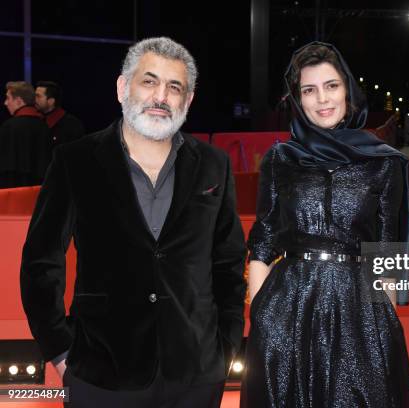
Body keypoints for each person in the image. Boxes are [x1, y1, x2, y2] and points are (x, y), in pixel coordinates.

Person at [20, 37, 246, 408]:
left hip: (197, 373)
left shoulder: (213, 164)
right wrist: (60, 352)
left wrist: (225, 347)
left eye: (175, 87)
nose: (161, 96)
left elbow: (228, 261)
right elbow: (40, 263)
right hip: (100, 371)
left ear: (187, 100)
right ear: (123, 88)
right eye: (149, 81)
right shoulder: (75, 160)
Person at [241, 42, 409, 408]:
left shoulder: (384, 163)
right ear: (298, 99)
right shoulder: (281, 158)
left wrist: (381, 328)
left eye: (331, 86)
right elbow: (263, 241)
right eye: (309, 89)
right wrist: (262, 318)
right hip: (287, 309)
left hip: (359, 312)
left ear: (348, 91)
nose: (322, 98)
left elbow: (386, 253)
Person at [0, 81, 50, 188]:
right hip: (40, 191)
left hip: (14, 192)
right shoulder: (44, 126)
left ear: (19, 101)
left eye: (8, 98)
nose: (5, 103)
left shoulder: (9, 127)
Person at [35, 81, 85, 149]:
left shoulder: (71, 125)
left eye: (38, 96)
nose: (34, 99)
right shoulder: (35, 120)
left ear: (51, 101)